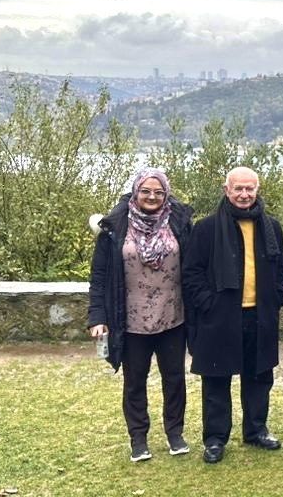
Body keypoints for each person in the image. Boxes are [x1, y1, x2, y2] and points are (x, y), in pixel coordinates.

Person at [182, 166, 283, 464]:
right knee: (216, 379)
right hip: (220, 316)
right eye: (238, 188)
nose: (244, 194)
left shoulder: (271, 227)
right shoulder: (206, 228)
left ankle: (256, 430)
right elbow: (191, 274)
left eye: (249, 188)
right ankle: (215, 439)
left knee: (259, 376)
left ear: (257, 190)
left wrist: (277, 296)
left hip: (260, 314)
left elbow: (280, 268)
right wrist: (209, 303)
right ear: (226, 190)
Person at [87, 168, 194, 462]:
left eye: (159, 192)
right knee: (134, 381)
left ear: (166, 194)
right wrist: (97, 317)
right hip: (130, 321)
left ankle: (175, 433)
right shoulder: (114, 227)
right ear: (136, 191)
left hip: (173, 317)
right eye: (146, 191)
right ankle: (138, 439)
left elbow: (194, 266)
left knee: (174, 379)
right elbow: (99, 277)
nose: (152, 197)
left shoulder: (180, 223)